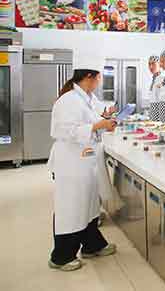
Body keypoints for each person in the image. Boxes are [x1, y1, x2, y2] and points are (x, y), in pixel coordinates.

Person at [48, 57, 118, 271]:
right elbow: (65, 131)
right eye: (98, 78)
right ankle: (61, 257)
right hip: (71, 162)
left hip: (85, 161)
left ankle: (92, 245)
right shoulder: (68, 100)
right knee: (71, 208)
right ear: (89, 77)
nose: (99, 82)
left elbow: (94, 115)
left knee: (88, 205)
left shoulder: (85, 97)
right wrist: (99, 125)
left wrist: (105, 120)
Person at [147, 55, 161, 121]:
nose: (151, 67)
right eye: (149, 64)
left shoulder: (162, 78)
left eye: (153, 64)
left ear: (160, 64)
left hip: (159, 115)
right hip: (153, 114)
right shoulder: (154, 78)